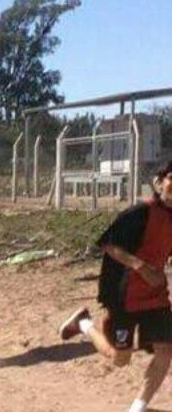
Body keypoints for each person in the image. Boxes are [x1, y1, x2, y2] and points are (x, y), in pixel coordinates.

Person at [59, 161, 172, 412]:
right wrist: (142, 267)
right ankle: (84, 324)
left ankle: (137, 408)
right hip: (124, 294)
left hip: (155, 296)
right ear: (160, 181)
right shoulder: (140, 212)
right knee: (120, 358)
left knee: (166, 350)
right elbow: (109, 244)